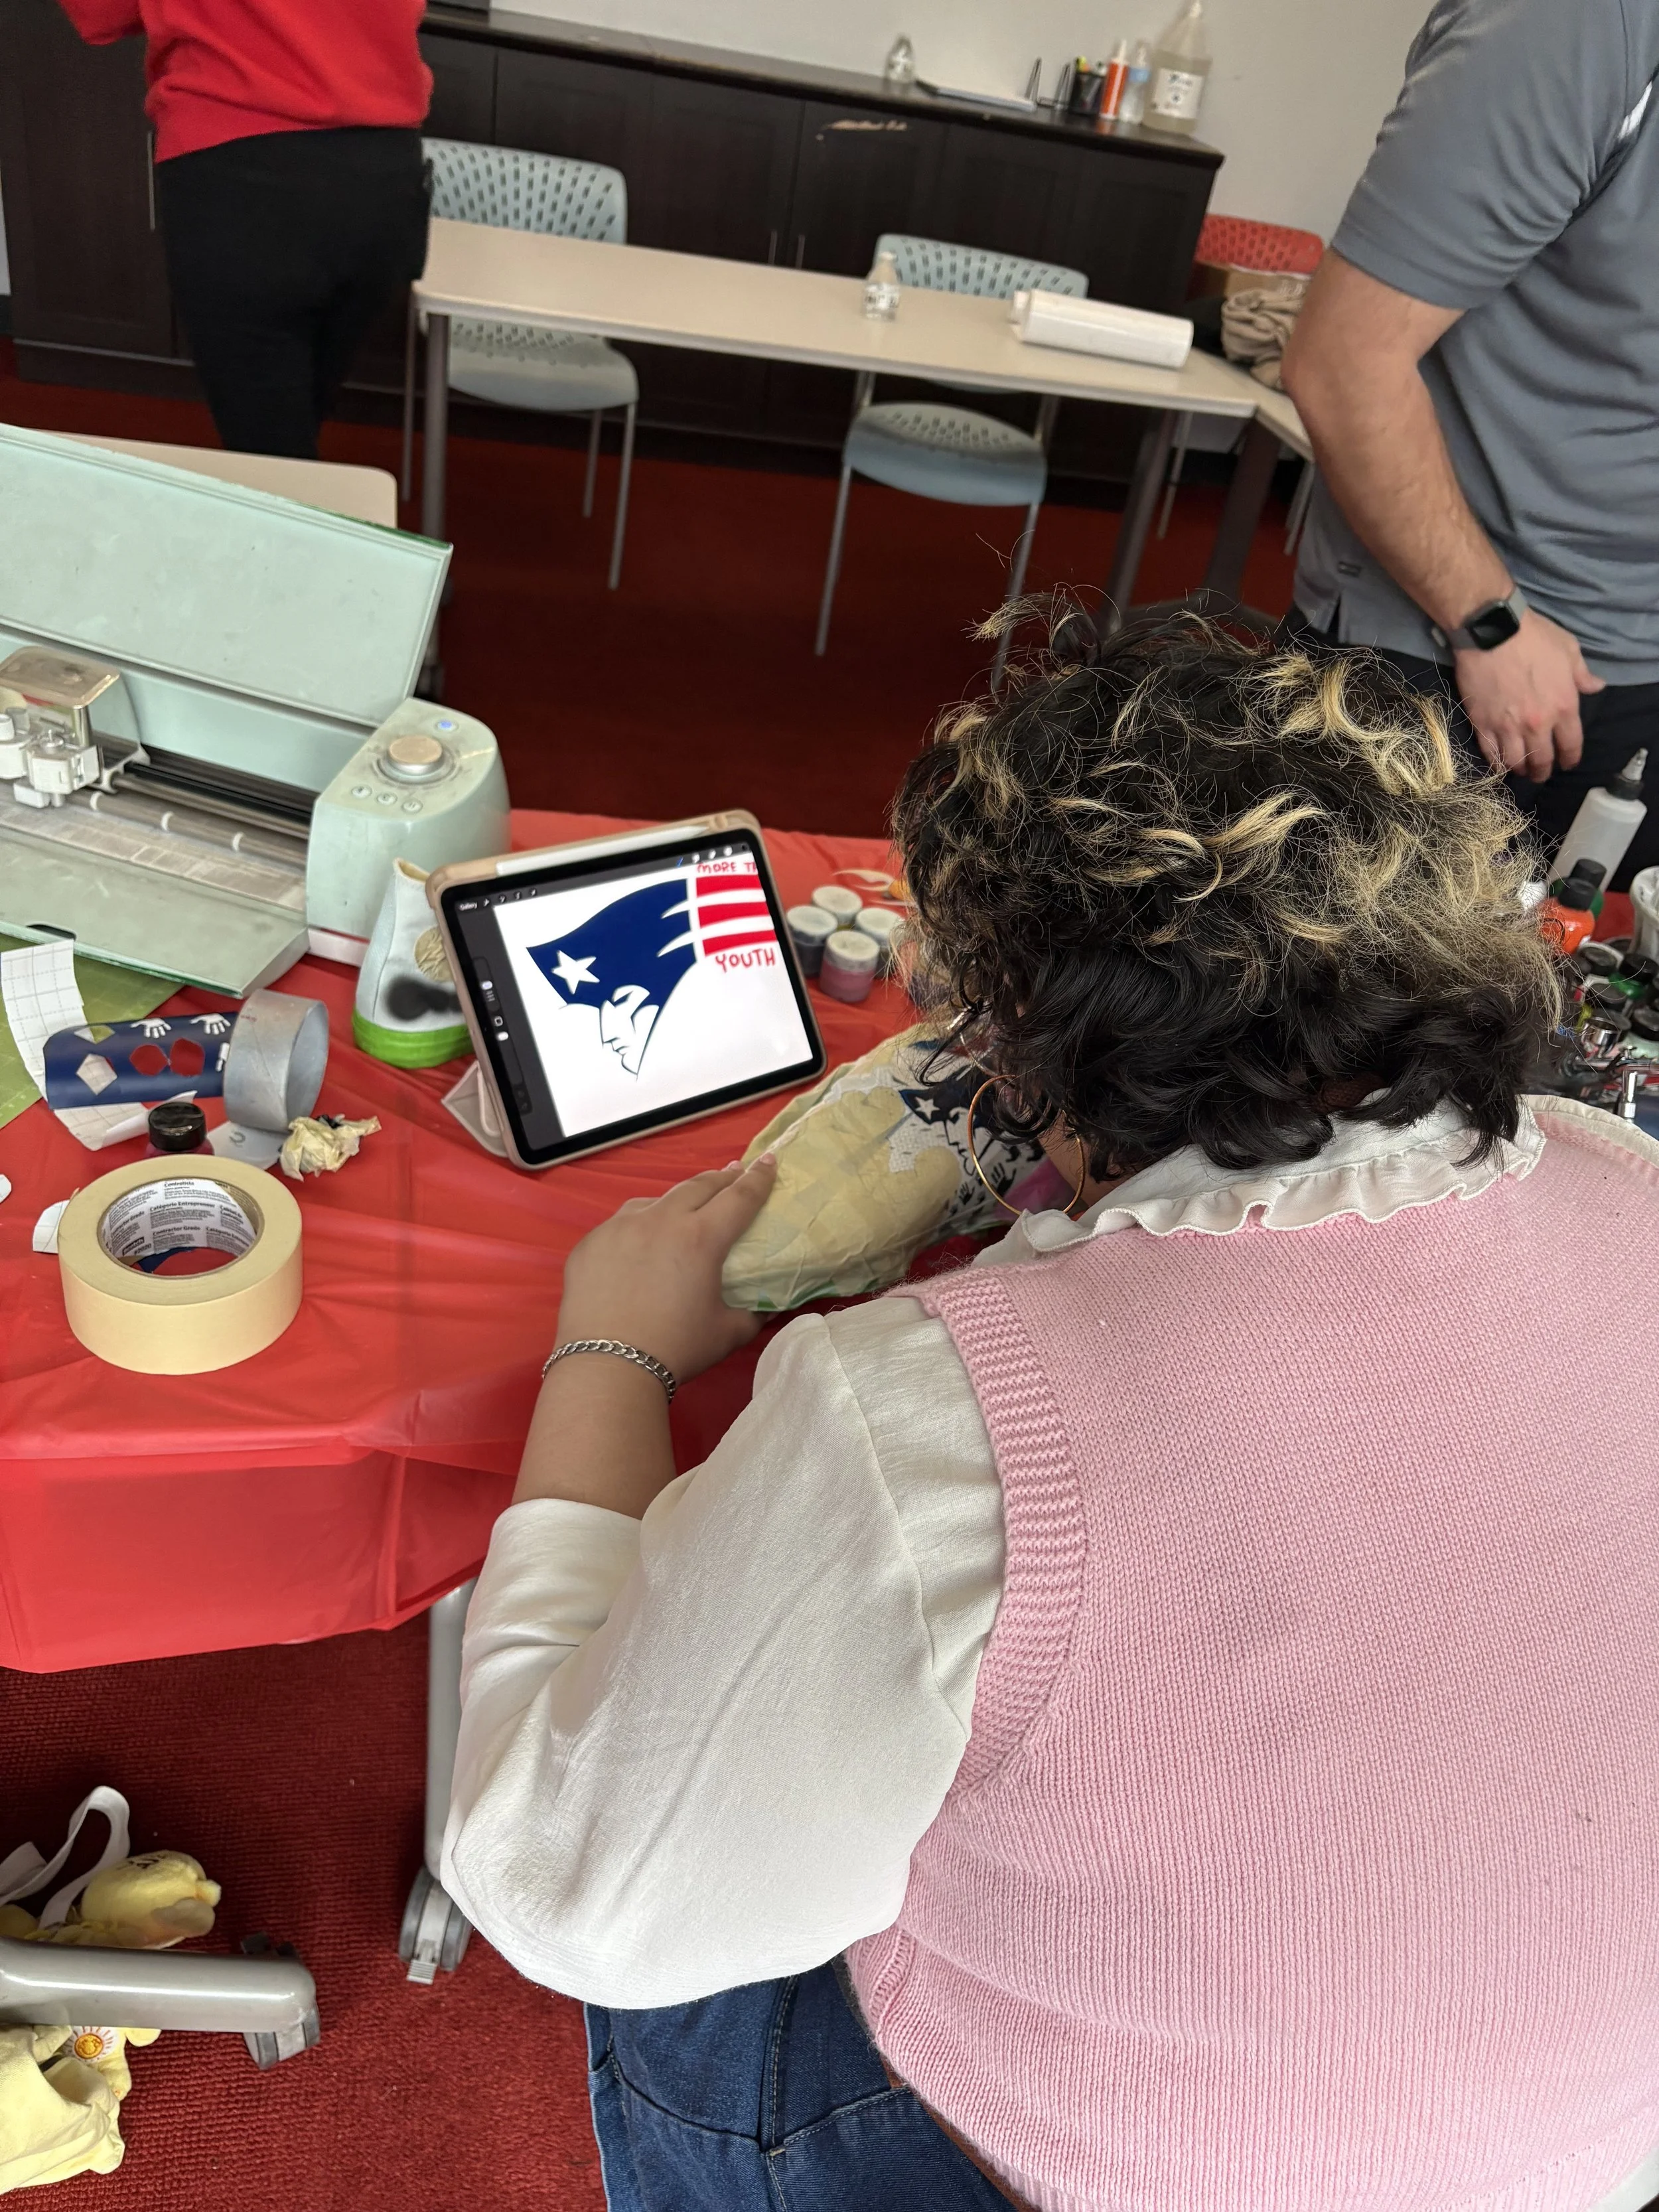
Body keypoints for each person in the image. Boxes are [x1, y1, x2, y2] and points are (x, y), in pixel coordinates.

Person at [442, 613, 1659, 2212]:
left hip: (1103, 2169)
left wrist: (612, 1353)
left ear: (1018, 1049)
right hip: (1580, 2150)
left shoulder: (923, 1398)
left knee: (686, 1895)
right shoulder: (1619, 1177)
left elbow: (574, 1894)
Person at [1281, 0, 1659, 886]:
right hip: (1468, 653)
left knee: (1579, 1008)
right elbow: (1344, 364)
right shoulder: (1577, 24)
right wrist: (1489, 619)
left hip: (1635, 655)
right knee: (1337, 1006)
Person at [56, 0, 432, 460]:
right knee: (292, 432)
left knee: (272, 453)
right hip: (383, 175)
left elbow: (104, 13)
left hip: (240, 170)